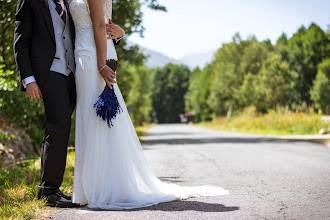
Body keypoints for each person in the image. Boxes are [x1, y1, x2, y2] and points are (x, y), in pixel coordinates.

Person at [69, 0, 229, 210]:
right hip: (84, 54)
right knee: (92, 119)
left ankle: (104, 188)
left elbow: (100, 25)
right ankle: (93, 187)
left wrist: (101, 64)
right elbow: (105, 24)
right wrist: (120, 34)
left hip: (93, 58)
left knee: (98, 120)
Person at [13, 0, 123, 207]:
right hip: (49, 72)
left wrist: (118, 35)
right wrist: (28, 79)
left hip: (75, 71)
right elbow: (20, 41)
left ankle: (56, 188)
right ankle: (48, 191)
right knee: (58, 126)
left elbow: (90, 27)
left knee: (67, 126)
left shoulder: (68, 1)